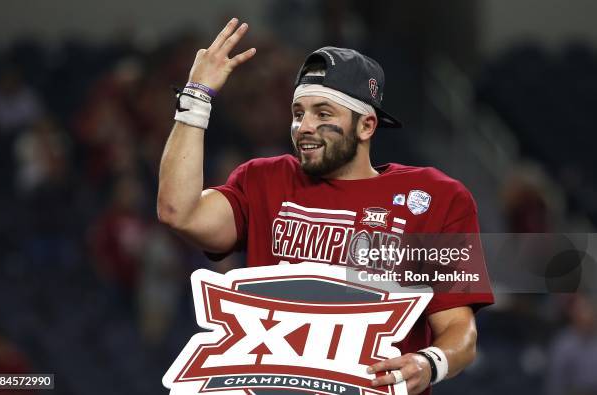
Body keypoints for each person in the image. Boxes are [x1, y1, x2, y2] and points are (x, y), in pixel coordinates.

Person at [157, 18, 493, 395]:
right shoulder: (263, 181)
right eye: (298, 113)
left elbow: (458, 330)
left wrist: (430, 363)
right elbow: (178, 212)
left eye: (323, 113)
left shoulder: (435, 198)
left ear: (366, 126)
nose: (304, 126)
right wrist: (196, 99)